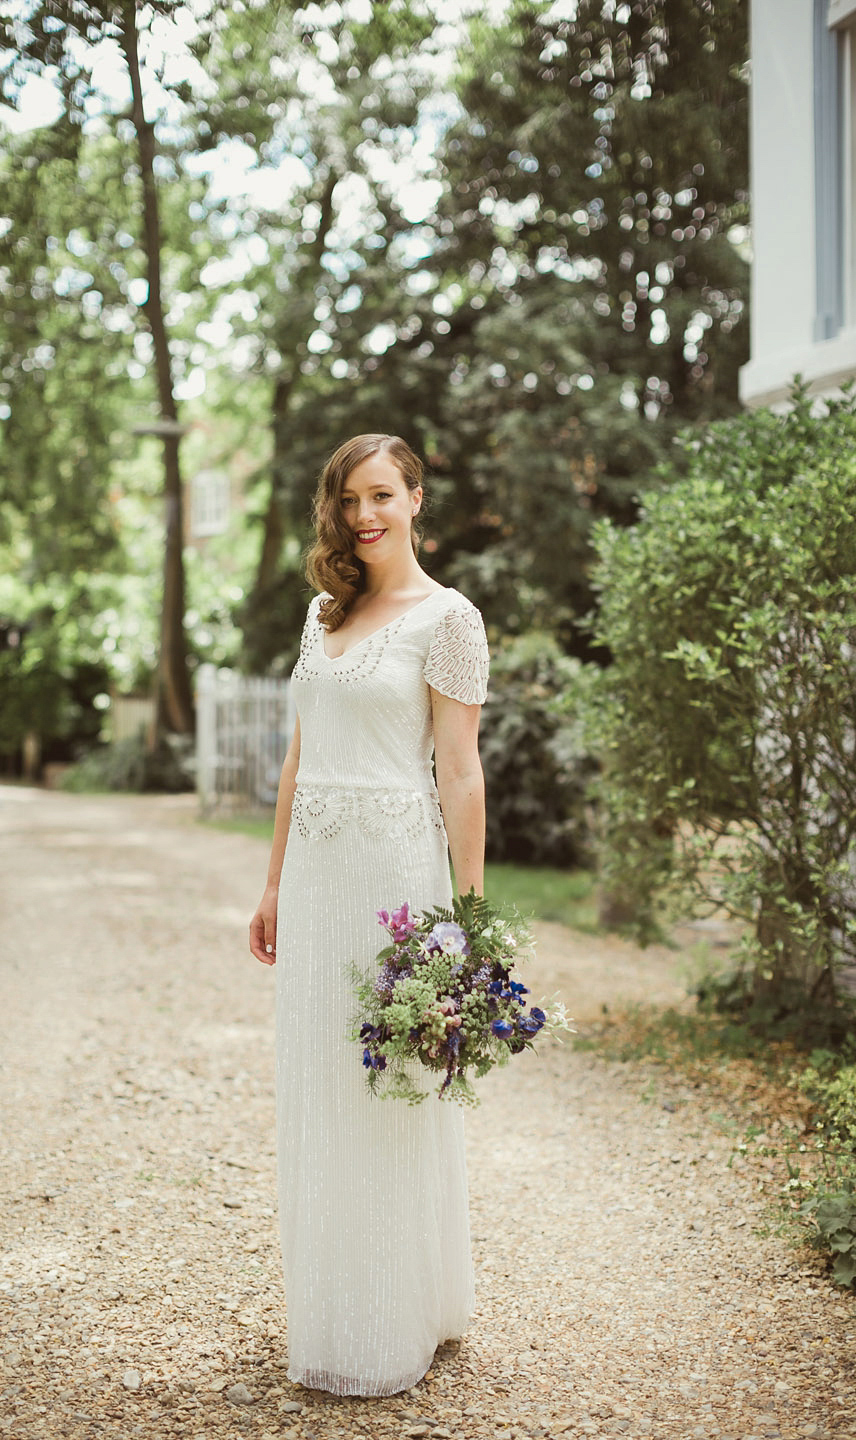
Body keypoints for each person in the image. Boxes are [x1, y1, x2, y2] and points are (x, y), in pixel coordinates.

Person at [249, 433, 489, 1397]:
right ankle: (337, 1304)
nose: (364, 516)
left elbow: (461, 771)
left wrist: (470, 923)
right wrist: (272, 885)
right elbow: (299, 759)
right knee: (321, 1084)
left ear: (417, 499)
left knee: (389, 1089)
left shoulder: (450, 618)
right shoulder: (323, 612)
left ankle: (395, 1324)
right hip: (316, 873)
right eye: (350, 499)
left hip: (397, 878)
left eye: (382, 495)